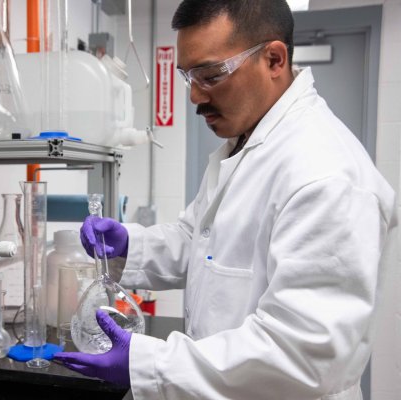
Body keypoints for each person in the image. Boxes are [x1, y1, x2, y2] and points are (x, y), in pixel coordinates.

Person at [54, 0, 397, 399]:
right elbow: (202, 241)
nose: (196, 97)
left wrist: (148, 364)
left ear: (274, 59)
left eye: (212, 75)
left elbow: (301, 353)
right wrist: (133, 246)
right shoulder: (246, 144)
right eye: (188, 77)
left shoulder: (326, 175)